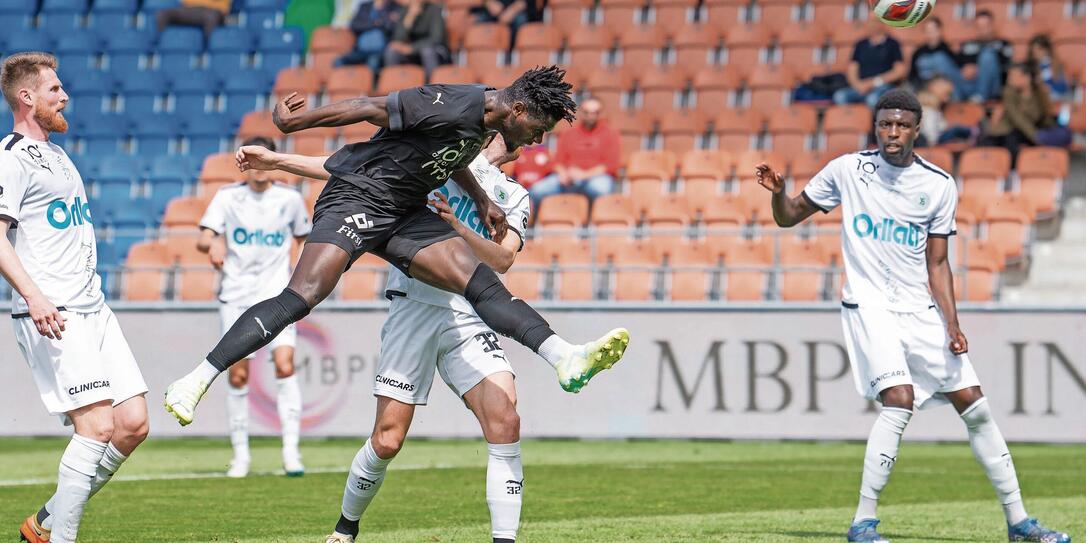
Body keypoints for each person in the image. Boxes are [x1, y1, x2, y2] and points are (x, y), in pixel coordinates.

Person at [163, 66, 630, 430]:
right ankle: (198, 378)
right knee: (303, 296)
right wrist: (294, 123)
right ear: (521, 111)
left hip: (405, 211)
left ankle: (564, 357)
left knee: (481, 284)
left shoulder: (485, 118)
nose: (539, 139)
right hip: (357, 196)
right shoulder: (446, 102)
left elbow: (459, 154)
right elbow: (368, 107)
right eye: (541, 128)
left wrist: (483, 200)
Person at [754, 88, 1071, 543]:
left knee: (975, 405)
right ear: (876, 128)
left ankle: (1019, 522)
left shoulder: (938, 185)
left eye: (901, 125)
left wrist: (953, 324)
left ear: (917, 129)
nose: (892, 133)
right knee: (898, 399)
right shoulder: (848, 170)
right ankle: (863, 522)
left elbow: (937, 264)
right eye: (885, 124)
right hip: (870, 304)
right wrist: (780, 194)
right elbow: (789, 218)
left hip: (919, 309)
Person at [235, 133, 541, 543]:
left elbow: (502, 259)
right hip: (413, 305)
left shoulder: (515, 196)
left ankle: (505, 539)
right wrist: (275, 161)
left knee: (506, 419)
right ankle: (346, 528)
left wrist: (455, 227)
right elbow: (348, 167)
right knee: (387, 440)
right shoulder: (438, 163)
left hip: (470, 312)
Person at [0, 52, 150, 543]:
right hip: (53, 311)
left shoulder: (60, 156)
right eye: (54, 90)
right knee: (97, 427)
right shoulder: (10, 157)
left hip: (94, 309)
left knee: (132, 424)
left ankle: (42, 523)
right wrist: (34, 295)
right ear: (27, 97)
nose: (65, 96)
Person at [196, 136, 312, 478]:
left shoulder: (290, 200)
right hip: (236, 294)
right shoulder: (227, 197)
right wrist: (214, 243)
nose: (258, 167)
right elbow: (204, 236)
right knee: (238, 372)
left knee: (285, 364)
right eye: (251, 159)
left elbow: (304, 239)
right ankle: (241, 456)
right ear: (244, 163)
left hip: (277, 295)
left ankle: (291, 452)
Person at [527, 97, 618, 208]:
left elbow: (611, 166)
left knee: (600, 189)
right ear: (580, 113)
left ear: (601, 113)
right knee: (537, 191)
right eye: (587, 112)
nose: (591, 116)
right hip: (569, 178)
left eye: (595, 112)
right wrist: (563, 173)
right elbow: (557, 162)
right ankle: (531, 222)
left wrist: (584, 175)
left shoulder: (610, 134)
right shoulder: (568, 133)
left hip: (596, 177)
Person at [980, 62, 1057, 161]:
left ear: (1026, 77)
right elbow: (1017, 117)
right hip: (1008, 131)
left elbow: (1043, 114)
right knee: (1008, 141)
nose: (1009, 80)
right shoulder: (1008, 92)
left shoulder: (1039, 93)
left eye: (1012, 77)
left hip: (1028, 130)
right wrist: (1036, 136)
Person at [834, 19, 906, 109]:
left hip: (882, 86)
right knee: (840, 96)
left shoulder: (892, 44)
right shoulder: (860, 44)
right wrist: (858, 85)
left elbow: (899, 71)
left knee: (872, 99)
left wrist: (872, 83)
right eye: (868, 21)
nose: (869, 24)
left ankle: (875, 123)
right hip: (860, 86)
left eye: (873, 21)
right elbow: (852, 68)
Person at [383, 0, 450, 83]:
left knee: (427, 51)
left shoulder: (434, 9)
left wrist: (412, 48)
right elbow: (398, 39)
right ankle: (393, 86)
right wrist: (410, 18)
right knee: (392, 51)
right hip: (413, 53)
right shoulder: (405, 10)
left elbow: (436, 38)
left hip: (434, 50)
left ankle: (432, 88)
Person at [335, 0, 403, 77]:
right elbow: (354, 25)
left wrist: (381, 17)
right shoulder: (365, 6)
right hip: (361, 50)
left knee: (373, 64)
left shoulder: (395, 7)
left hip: (379, 50)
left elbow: (392, 28)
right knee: (339, 61)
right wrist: (375, 23)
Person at [957, 9, 1013, 102]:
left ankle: (980, 96)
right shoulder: (967, 45)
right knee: (942, 60)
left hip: (993, 87)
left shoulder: (1003, 44)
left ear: (992, 26)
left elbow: (1006, 68)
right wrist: (965, 70)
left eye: (985, 26)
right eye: (979, 26)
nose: (982, 30)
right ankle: (955, 99)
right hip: (970, 86)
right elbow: (957, 67)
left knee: (988, 56)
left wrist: (979, 69)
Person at [908, 17, 968, 100]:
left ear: (940, 31)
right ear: (924, 33)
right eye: (928, 31)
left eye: (933, 30)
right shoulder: (918, 53)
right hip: (925, 89)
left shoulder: (948, 50)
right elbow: (912, 77)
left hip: (946, 90)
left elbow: (958, 75)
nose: (930, 34)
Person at [156, 0, 231, 39]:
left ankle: (206, 53)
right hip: (190, 9)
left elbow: (223, 7)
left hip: (212, 10)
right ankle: (159, 44)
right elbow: (186, 2)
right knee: (162, 14)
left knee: (210, 17)